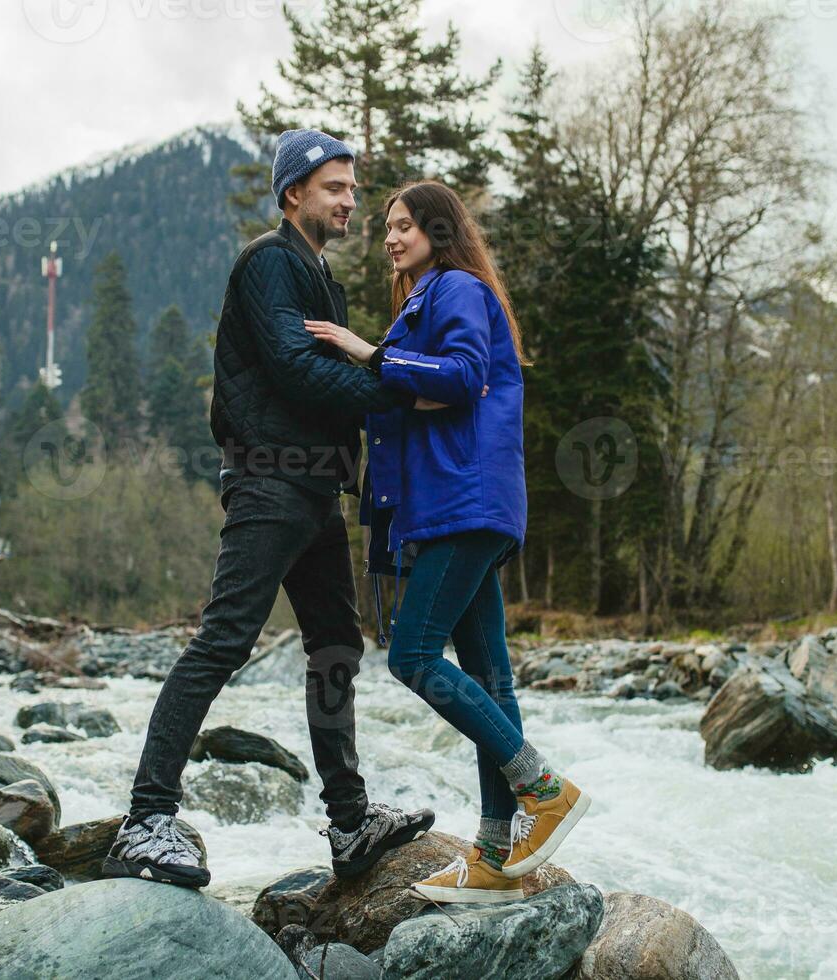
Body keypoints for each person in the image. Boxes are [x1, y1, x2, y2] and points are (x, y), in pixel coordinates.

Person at [103, 130, 434, 888]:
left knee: (334, 650)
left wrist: (385, 386)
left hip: (318, 491)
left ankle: (350, 825)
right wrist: (398, 389)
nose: (351, 200)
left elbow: (327, 374)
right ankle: (146, 817)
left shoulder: (321, 278)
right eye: (335, 188)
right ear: (293, 195)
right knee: (223, 641)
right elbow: (294, 369)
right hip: (270, 479)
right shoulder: (269, 264)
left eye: (353, 189)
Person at [303, 180, 591, 903]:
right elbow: (425, 393)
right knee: (491, 676)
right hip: (458, 505)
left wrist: (370, 355)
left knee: (413, 655)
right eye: (387, 229)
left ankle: (544, 789)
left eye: (404, 226)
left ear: (437, 228)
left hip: (465, 504)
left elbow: (461, 379)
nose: (392, 239)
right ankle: (499, 853)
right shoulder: (425, 301)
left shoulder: (456, 288)